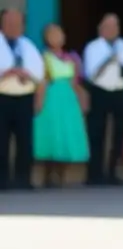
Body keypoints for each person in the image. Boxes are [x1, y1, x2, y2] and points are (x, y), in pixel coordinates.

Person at [33, 23, 90, 187]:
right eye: (52, 34)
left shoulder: (71, 58)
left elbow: (75, 82)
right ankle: (48, 174)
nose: (57, 37)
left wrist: (82, 99)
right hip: (52, 99)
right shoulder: (44, 57)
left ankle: (61, 173)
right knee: (52, 132)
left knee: (67, 133)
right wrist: (39, 102)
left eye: (59, 34)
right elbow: (42, 82)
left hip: (68, 100)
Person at [82, 14, 123, 186]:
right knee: (97, 132)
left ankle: (113, 172)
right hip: (100, 92)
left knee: (120, 132)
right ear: (100, 29)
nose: (112, 30)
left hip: (120, 91)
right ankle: (94, 174)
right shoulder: (93, 47)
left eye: (115, 26)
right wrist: (109, 60)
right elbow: (91, 74)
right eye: (108, 26)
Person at [0, 8, 45, 190]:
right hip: (2, 97)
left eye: (18, 23)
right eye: (10, 23)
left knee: (25, 141)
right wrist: (7, 73)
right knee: (1, 142)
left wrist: (37, 96)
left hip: (24, 98)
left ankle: (23, 179)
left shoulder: (28, 45)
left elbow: (40, 76)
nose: (14, 26)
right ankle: (2, 180)